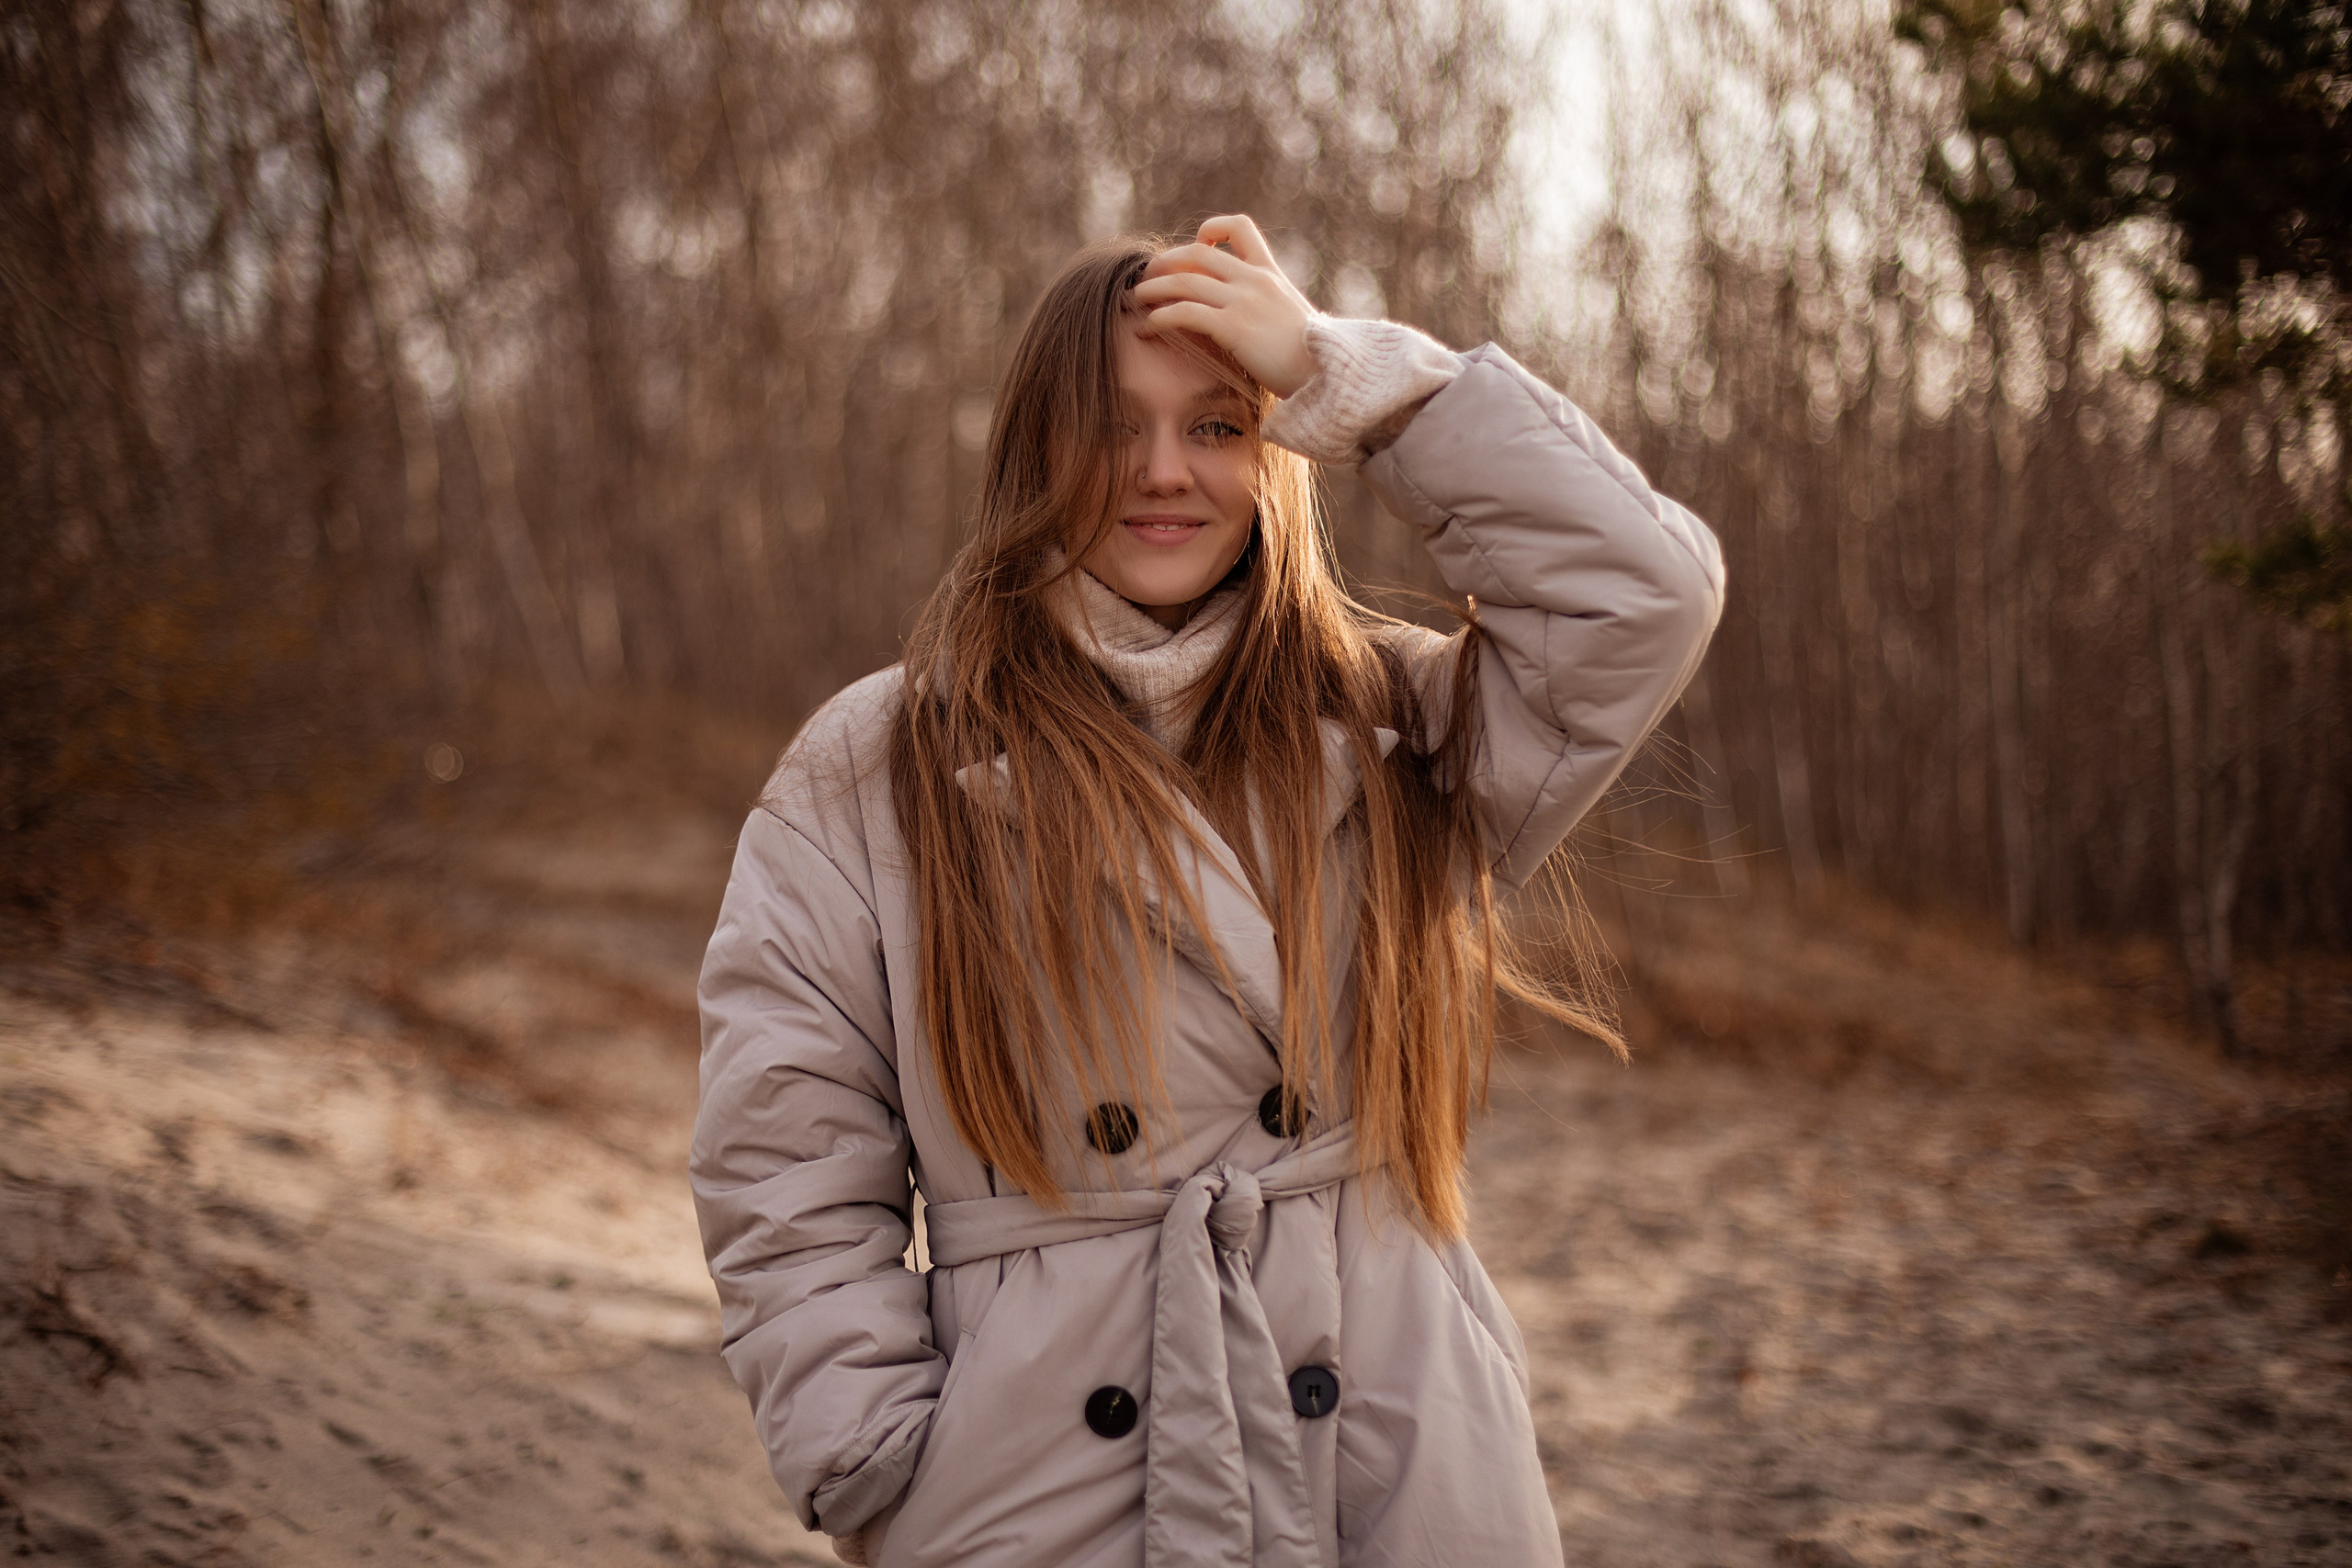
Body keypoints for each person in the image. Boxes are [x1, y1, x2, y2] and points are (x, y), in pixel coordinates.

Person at [692, 213, 1724, 1568]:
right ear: (1032, 456)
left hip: (1395, 1451)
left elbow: (1642, 594)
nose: (1163, 473)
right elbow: (787, 1155)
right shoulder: (877, 762)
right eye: (1113, 427)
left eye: (1221, 424)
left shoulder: (1395, 715)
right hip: (1044, 1477)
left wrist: (1349, 373)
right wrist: (878, 1463)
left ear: (1280, 450)